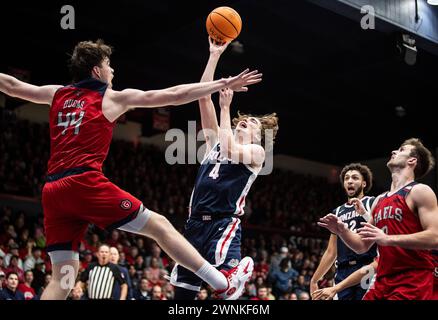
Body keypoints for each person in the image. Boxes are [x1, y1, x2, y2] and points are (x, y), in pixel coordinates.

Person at [0, 39, 262, 300]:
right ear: (97, 71)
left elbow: (11, 86)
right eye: (109, 65)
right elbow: (174, 94)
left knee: (62, 279)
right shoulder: (111, 98)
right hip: (83, 184)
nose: (112, 71)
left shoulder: (56, 93)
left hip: (53, 191)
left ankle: (221, 280)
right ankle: (222, 283)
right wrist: (225, 84)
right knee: (160, 226)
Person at [171, 37, 278, 300]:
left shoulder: (257, 152)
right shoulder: (214, 143)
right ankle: (228, 280)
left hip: (222, 224)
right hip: (194, 223)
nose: (246, 122)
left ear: (257, 134)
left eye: (252, 122)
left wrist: (226, 107)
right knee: (181, 297)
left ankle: (233, 277)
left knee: (227, 296)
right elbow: (203, 96)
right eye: (244, 119)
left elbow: (230, 149)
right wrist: (214, 55)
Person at [319, 138, 438, 300]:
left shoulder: (420, 191)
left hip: (413, 279)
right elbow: (361, 245)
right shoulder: (379, 200)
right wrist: (342, 230)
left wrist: (387, 239)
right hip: (383, 281)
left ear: (412, 160)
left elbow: (435, 237)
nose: (394, 152)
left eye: (401, 150)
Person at [311, 163, 377, 300]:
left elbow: (382, 230)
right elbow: (331, 252)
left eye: (354, 178)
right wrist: (315, 279)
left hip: (367, 266)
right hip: (342, 271)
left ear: (364, 183)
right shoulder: (338, 211)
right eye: (346, 178)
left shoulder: (373, 202)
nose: (350, 181)